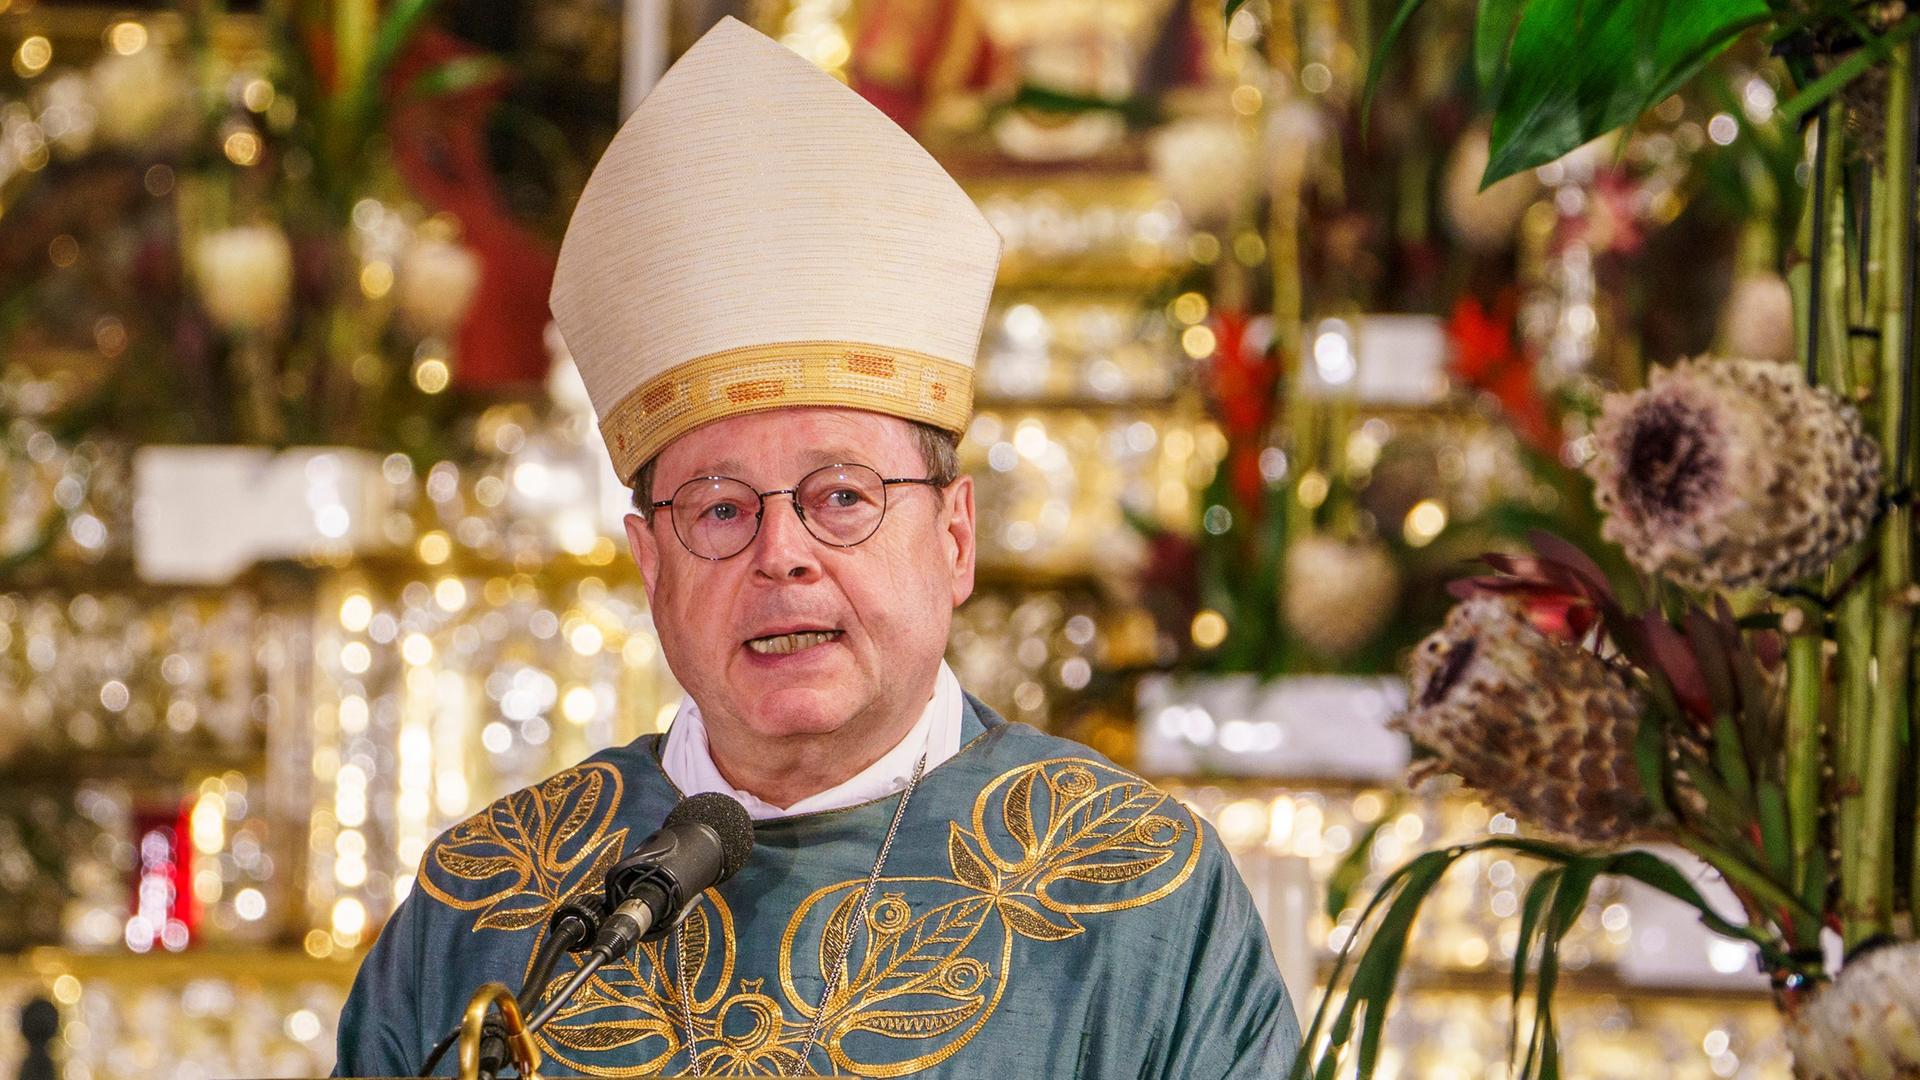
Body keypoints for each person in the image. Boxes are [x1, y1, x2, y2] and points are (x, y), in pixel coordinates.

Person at [335, 16, 1299, 1078]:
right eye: (718, 509)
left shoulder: (1136, 891)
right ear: (650, 566)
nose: (781, 554)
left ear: (955, 537)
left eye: (842, 497)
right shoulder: (499, 902)